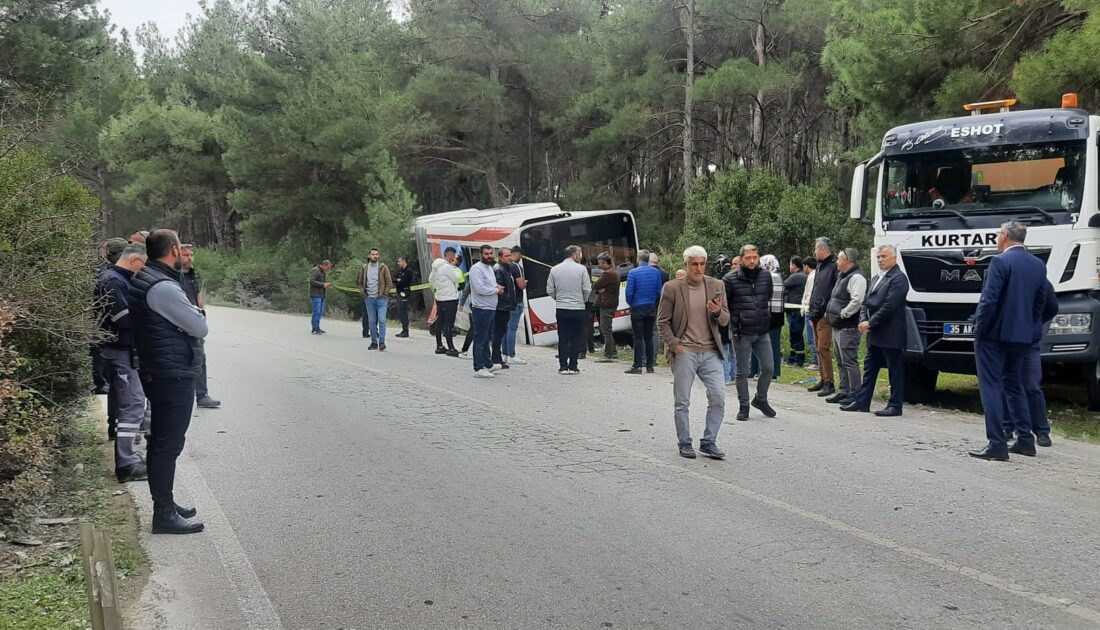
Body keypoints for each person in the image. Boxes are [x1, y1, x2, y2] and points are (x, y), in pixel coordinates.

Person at [129, 229, 206, 535]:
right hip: (171, 372)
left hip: (161, 368)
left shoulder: (148, 277)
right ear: (174, 250)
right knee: (166, 444)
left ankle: (167, 504)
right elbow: (199, 325)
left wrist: (183, 323)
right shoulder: (163, 286)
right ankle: (163, 513)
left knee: (163, 441)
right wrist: (190, 319)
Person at [969, 222, 1049, 461]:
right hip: (1023, 336)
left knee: (991, 385)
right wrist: (1032, 329)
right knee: (1014, 385)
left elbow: (989, 300)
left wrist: (978, 329)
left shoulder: (1000, 262)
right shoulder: (1038, 265)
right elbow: (1041, 303)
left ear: (1004, 236)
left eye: (997, 235)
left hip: (994, 335)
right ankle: (1025, 439)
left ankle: (997, 443)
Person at [657, 246, 730, 459]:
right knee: (682, 401)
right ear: (686, 265)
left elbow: (726, 319)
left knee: (718, 396)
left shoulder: (717, 285)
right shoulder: (672, 288)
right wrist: (674, 345)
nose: (698, 268)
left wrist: (718, 312)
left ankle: (709, 441)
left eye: (701, 264)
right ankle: (684, 442)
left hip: (710, 351)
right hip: (685, 351)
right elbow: (662, 322)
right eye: (694, 264)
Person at [96, 243, 149, 483]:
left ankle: (131, 458)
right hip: (119, 351)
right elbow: (122, 319)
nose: (144, 271)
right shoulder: (113, 281)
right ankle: (127, 464)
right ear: (135, 260)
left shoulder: (117, 278)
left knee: (132, 404)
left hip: (121, 351)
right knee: (133, 404)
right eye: (144, 265)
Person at [842, 245, 911, 416]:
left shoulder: (898, 279)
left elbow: (890, 306)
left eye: (884, 256)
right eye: (879, 257)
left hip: (891, 331)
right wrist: (863, 319)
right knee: (870, 367)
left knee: (894, 369)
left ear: (894, 258)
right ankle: (862, 401)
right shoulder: (876, 278)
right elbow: (866, 302)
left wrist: (870, 322)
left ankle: (895, 405)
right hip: (875, 332)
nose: (880, 260)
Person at [725, 244, 777, 421]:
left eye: (755, 257)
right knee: (742, 371)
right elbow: (725, 305)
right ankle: (744, 405)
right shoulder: (730, 279)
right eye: (748, 258)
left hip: (762, 329)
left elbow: (767, 297)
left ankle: (761, 399)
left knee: (769, 368)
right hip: (741, 331)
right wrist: (733, 324)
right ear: (741, 260)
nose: (752, 261)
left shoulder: (765, 276)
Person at [1014, 279, 1059, 447]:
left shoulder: (1039, 279)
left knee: (1031, 385)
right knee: (1015, 384)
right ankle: (1010, 427)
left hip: (1028, 340)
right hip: (1016, 338)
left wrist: (1036, 322)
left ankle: (1041, 431)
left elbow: (1052, 307)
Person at [180, 244, 220, 409]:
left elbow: (198, 296)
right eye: (186, 255)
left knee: (200, 359)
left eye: (191, 255)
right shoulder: (173, 275)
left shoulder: (193, 274)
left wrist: (202, 314)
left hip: (194, 321)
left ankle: (202, 395)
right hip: (180, 322)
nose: (190, 258)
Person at [825, 248, 867, 406]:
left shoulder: (856, 277)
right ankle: (844, 391)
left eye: (839, 259)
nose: (837, 261)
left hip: (848, 326)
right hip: (838, 326)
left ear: (848, 260)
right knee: (841, 361)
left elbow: (857, 300)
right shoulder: (843, 275)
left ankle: (854, 393)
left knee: (849, 361)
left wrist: (843, 313)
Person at [547, 245, 592, 375]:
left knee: (563, 337)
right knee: (575, 337)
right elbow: (587, 289)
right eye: (580, 253)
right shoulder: (581, 269)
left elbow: (550, 289)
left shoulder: (554, 269)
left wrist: (559, 298)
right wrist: (581, 300)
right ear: (574, 255)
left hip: (561, 308)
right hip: (577, 308)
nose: (581, 255)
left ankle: (562, 366)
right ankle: (573, 365)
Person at [807, 237, 839, 396]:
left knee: (823, 348)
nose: (814, 252)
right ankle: (823, 378)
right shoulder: (820, 267)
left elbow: (834, 290)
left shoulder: (834, 266)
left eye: (816, 248)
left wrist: (828, 309)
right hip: (815, 312)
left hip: (825, 313)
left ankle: (829, 382)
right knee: (818, 348)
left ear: (823, 249)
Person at [625, 249, 662, 374]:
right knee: (649, 336)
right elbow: (658, 290)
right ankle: (650, 365)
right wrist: (652, 300)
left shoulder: (633, 273)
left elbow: (629, 292)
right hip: (651, 307)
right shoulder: (656, 272)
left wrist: (632, 303)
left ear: (638, 258)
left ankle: (637, 365)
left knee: (638, 337)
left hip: (637, 307)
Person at [469, 245, 503, 378]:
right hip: (481, 308)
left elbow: (489, 285)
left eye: (491, 253)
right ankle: (478, 367)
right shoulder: (476, 269)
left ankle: (488, 364)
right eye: (486, 254)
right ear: (480, 255)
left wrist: (496, 286)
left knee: (487, 337)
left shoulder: (489, 268)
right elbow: (480, 289)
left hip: (490, 308)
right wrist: (496, 290)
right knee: (480, 339)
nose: (489, 256)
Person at [751, 254, 784, 379]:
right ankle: (774, 371)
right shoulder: (779, 277)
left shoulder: (765, 277)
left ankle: (763, 371)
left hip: (765, 315)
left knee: (762, 345)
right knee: (774, 345)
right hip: (778, 315)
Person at [357, 248, 393, 351]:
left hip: (381, 298)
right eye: (373, 254)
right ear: (369, 256)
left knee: (382, 320)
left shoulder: (383, 267)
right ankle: (373, 342)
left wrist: (385, 293)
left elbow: (389, 282)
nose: (375, 256)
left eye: (376, 254)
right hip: (369, 299)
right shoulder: (364, 268)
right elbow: (359, 283)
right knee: (372, 322)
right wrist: (363, 293)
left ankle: (381, 342)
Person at [429, 247, 462, 356]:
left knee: (440, 321)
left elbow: (431, 281)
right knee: (449, 323)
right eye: (454, 256)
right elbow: (457, 278)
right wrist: (454, 265)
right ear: (451, 255)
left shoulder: (435, 268)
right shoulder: (447, 267)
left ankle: (439, 345)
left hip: (439, 298)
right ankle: (451, 348)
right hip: (450, 299)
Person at [492, 247, 521, 369]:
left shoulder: (507, 268)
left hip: (506, 306)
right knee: (498, 333)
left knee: (502, 332)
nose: (510, 258)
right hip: (501, 307)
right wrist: (509, 299)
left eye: (510, 255)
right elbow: (500, 289)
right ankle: (496, 359)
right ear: (500, 257)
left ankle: (499, 358)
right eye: (507, 256)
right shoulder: (499, 269)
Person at [592, 253, 620, 363]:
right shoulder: (614, 272)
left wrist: (600, 289)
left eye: (600, 263)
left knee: (605, 330)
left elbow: (596, 285)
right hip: (610, 303)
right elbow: (599, 288)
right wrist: (600, 289)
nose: (599, 265)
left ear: (605, 263)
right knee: (607, 329)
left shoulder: (608, 274)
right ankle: (613, 351)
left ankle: (608, 355)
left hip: (607, 304)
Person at [504, 247, 529, 364]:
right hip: (516, 301)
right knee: (512, 328)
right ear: (519, 254)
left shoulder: (503, 265)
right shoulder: (516, 266)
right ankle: (511, 355)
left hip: (505, 301)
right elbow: (521, 285)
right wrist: (525, 283)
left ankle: (503, 354)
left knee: (505, 328)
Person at [784, 256, 807, 367]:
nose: (789, 266)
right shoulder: (802, 276)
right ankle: (792, 358)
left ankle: (799, 360)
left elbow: (783, 286)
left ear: (794, 265)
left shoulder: (796, 277)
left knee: (796, 333)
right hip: (795, 310)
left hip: (795, 310)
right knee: (794, 334)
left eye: (790, 264)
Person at [800, 256, 820, 369]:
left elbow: (809, 294)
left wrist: (805, 307)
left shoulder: (812, 277)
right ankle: (816, 359)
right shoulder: (815, 275)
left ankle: (816, 360)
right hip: (811, 309)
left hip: (810, 310)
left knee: (812, 336)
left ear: (806, 266)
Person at [308, 260, 333, 335]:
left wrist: (327, 285)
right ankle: (314, 329)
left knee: (320, 312)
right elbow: (312, 281)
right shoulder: (315, 270)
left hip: (322, 294)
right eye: (328, 268)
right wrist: (323, 284)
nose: (328, 270)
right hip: (315, 294)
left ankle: (318, 327)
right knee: (316, 311)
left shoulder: (322, 272)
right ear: (324, 265)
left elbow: (321, 283)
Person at [393, 257, 414, 338]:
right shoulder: (401, 271)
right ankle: (403, 329)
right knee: (400, 312)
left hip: (404, 293)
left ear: (404, 262)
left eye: (399, 261)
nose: (398, 263)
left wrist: (399, 281)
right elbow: (394, 279)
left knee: (403, 312)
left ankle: (406, 331)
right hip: (399, 293)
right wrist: (398, 281)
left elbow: (403, 282)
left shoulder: (408, 271)